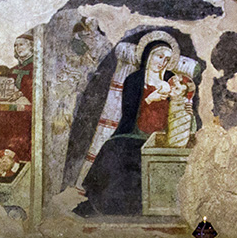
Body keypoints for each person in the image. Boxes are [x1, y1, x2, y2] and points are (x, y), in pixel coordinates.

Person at [74, 40, 179, 217]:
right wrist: (149, 99)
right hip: (135, 133)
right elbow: (128, 112)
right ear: (148, 56)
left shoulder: (171, 79)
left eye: (166, 59)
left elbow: (182, 104)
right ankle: (101, 204)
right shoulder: (135, 79)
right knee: (112, 149)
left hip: (162, 136)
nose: (162, 62)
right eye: (159, 57)